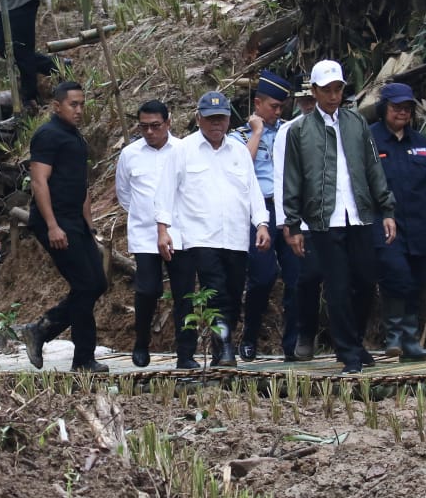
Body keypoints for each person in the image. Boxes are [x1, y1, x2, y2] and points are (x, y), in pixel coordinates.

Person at [283, 60, 397, 374]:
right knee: (337, 285)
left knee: (365, 279)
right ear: (315, 91)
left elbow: (373, 168)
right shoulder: (299, 131)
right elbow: (292, 179)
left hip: (358, 214)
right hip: (324, 220)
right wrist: (292, 224)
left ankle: (355, 341)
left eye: (338, 89)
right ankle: (347, 351)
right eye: (327, 90)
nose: (333, 96)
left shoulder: (356, 123)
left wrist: (386, 208)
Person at [155, 91, 270, 367]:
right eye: (210, 119)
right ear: (198, 119)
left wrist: (262, 223)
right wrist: (163, 229)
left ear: (229, 119)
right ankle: (226, 346)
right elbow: (165, 192)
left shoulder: (239, 151)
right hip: (200, 236)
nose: (216, 124)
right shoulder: (183, 150)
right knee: (215, 291)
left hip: (236, 236)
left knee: (232, 291)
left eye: (221, 119)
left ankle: (221, 351)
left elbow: (252, 190)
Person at [369, 82, 426, 361]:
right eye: (396, 107)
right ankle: (394, 335)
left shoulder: (420, 143)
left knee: (417, 281)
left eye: (407, 108)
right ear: (383, 108)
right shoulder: (370, 139)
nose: (402, 112)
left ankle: (410, 342)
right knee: (396, 275)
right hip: (385, 225)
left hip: (419, 228)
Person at [19, 81, 109, 372]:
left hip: (75, 222)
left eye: (82, 104)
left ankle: (42, 330)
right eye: (74, 104)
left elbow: (80, 185)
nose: (80, 110)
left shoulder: (76, 138)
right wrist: (52, 225)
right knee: (85, 285)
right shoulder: (47, 135)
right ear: (57, 106)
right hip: (55, 222)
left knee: (97, 284)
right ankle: (83, 359)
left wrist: (90, 227)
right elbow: (39, 181)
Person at [115, 100, 198, 370]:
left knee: (184, 293)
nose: (149, 132)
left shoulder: (185, 150)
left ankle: (186, 353)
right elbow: (124, 195)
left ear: (168, 123)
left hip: (180, 232)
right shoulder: (130, 154)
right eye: (144, 127)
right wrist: (145, 214)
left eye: (155, 126)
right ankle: (141, 341)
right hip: (145, 233)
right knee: (148, 290)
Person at [232, 70, 298, 361]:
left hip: (287, 207)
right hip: (257, 210)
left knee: (297, 276)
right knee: (262, 277)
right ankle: (249, 336)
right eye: (274, 106)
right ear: (258, 103)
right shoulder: (240, 135)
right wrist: (257, 131)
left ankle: (293, 343)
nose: (278, 111)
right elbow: (241, 168)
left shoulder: (289, 130)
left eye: (281, 107)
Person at [272, 80, 322, 360]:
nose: (308, 104)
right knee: (306, 280)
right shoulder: (288, 131)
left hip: (338, 218)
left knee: (345, 280)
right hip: (303, 219)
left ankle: (347, 340)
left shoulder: (343, 125)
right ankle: (303, 336)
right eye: (304, 99)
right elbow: (281, 179)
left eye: (311, 99)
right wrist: (288, 224)